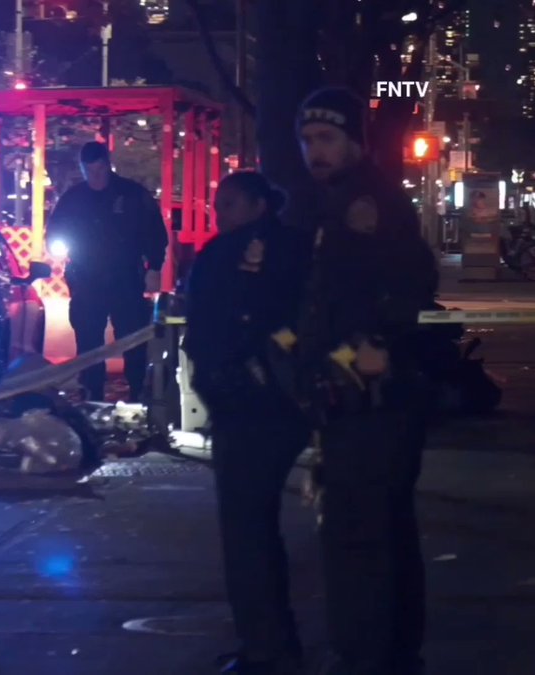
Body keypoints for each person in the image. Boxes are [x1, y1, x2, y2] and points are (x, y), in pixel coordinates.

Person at [293, 87, 437, 675]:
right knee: (385, 533)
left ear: (353, 141)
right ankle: (392, 653)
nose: (315, 152)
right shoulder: (343, 201)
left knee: (358, 539)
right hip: (366, 400)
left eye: (327, 138)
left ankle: (366, 658)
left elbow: (407, 283)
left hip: (369, 403)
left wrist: (374, 345)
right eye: (307, 140)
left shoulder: (366, 204)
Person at [183, 172, 313, 674]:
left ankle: (265, 643)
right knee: (255, 528)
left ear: (259, 204)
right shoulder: (300, 249)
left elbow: (208, 330)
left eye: (230, 204)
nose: (221, 214)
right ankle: (273, 639)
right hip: (282, 403)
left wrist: (218, 386)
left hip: (247, 407)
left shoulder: (226, 256)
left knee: (246, 531)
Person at [47, 141, 168, 401]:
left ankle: (138, 394)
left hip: (125, 279)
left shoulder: (132, 194)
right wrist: (59, 248)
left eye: (100, 170)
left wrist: (154, 267)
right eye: (89, 172)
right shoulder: (74, 198)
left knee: (133, 340)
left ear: (108, 165)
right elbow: (55, 230)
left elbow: (155, 232)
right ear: (83, 170)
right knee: (89, 343)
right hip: (86, 279)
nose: (96, 177)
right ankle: (92, 396)